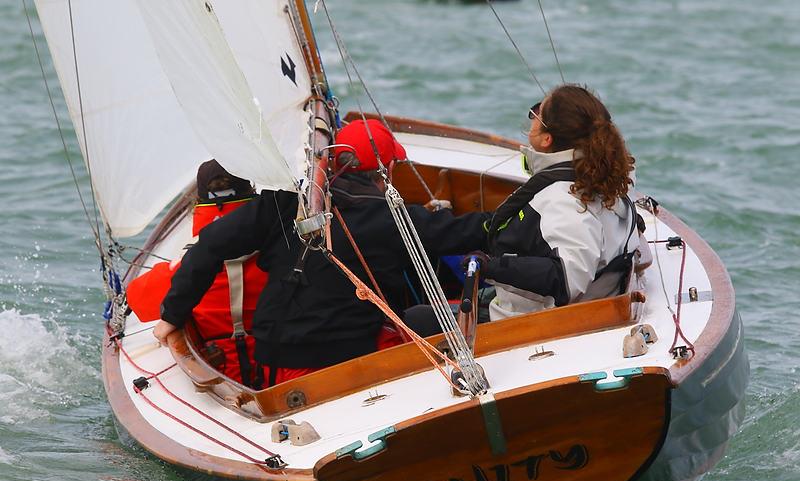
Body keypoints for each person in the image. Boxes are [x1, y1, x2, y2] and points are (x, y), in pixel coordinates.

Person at [154, 119, 489, 387]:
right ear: (386, 169)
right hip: (345, 362)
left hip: (273, 364)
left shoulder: (283, 202)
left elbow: (209, 244)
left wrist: (171, 315)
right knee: (441, 316)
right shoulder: (394, 219)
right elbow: (469, 231)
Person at [479, 84, 639, 320]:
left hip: (532, 324)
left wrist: (490, 267)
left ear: (546, 138)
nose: (532, 117)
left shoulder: (564, 200)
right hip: (581, 307)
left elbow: (567, 278)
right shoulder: (611, 179)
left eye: (537, 113)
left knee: (418, 318)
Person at [127, 160, 268, 387]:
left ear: (199, 202)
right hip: (277, 364)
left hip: (222, 372)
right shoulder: (279, 248)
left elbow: (137, 300)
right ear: (252, 193)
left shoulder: (189, 265)